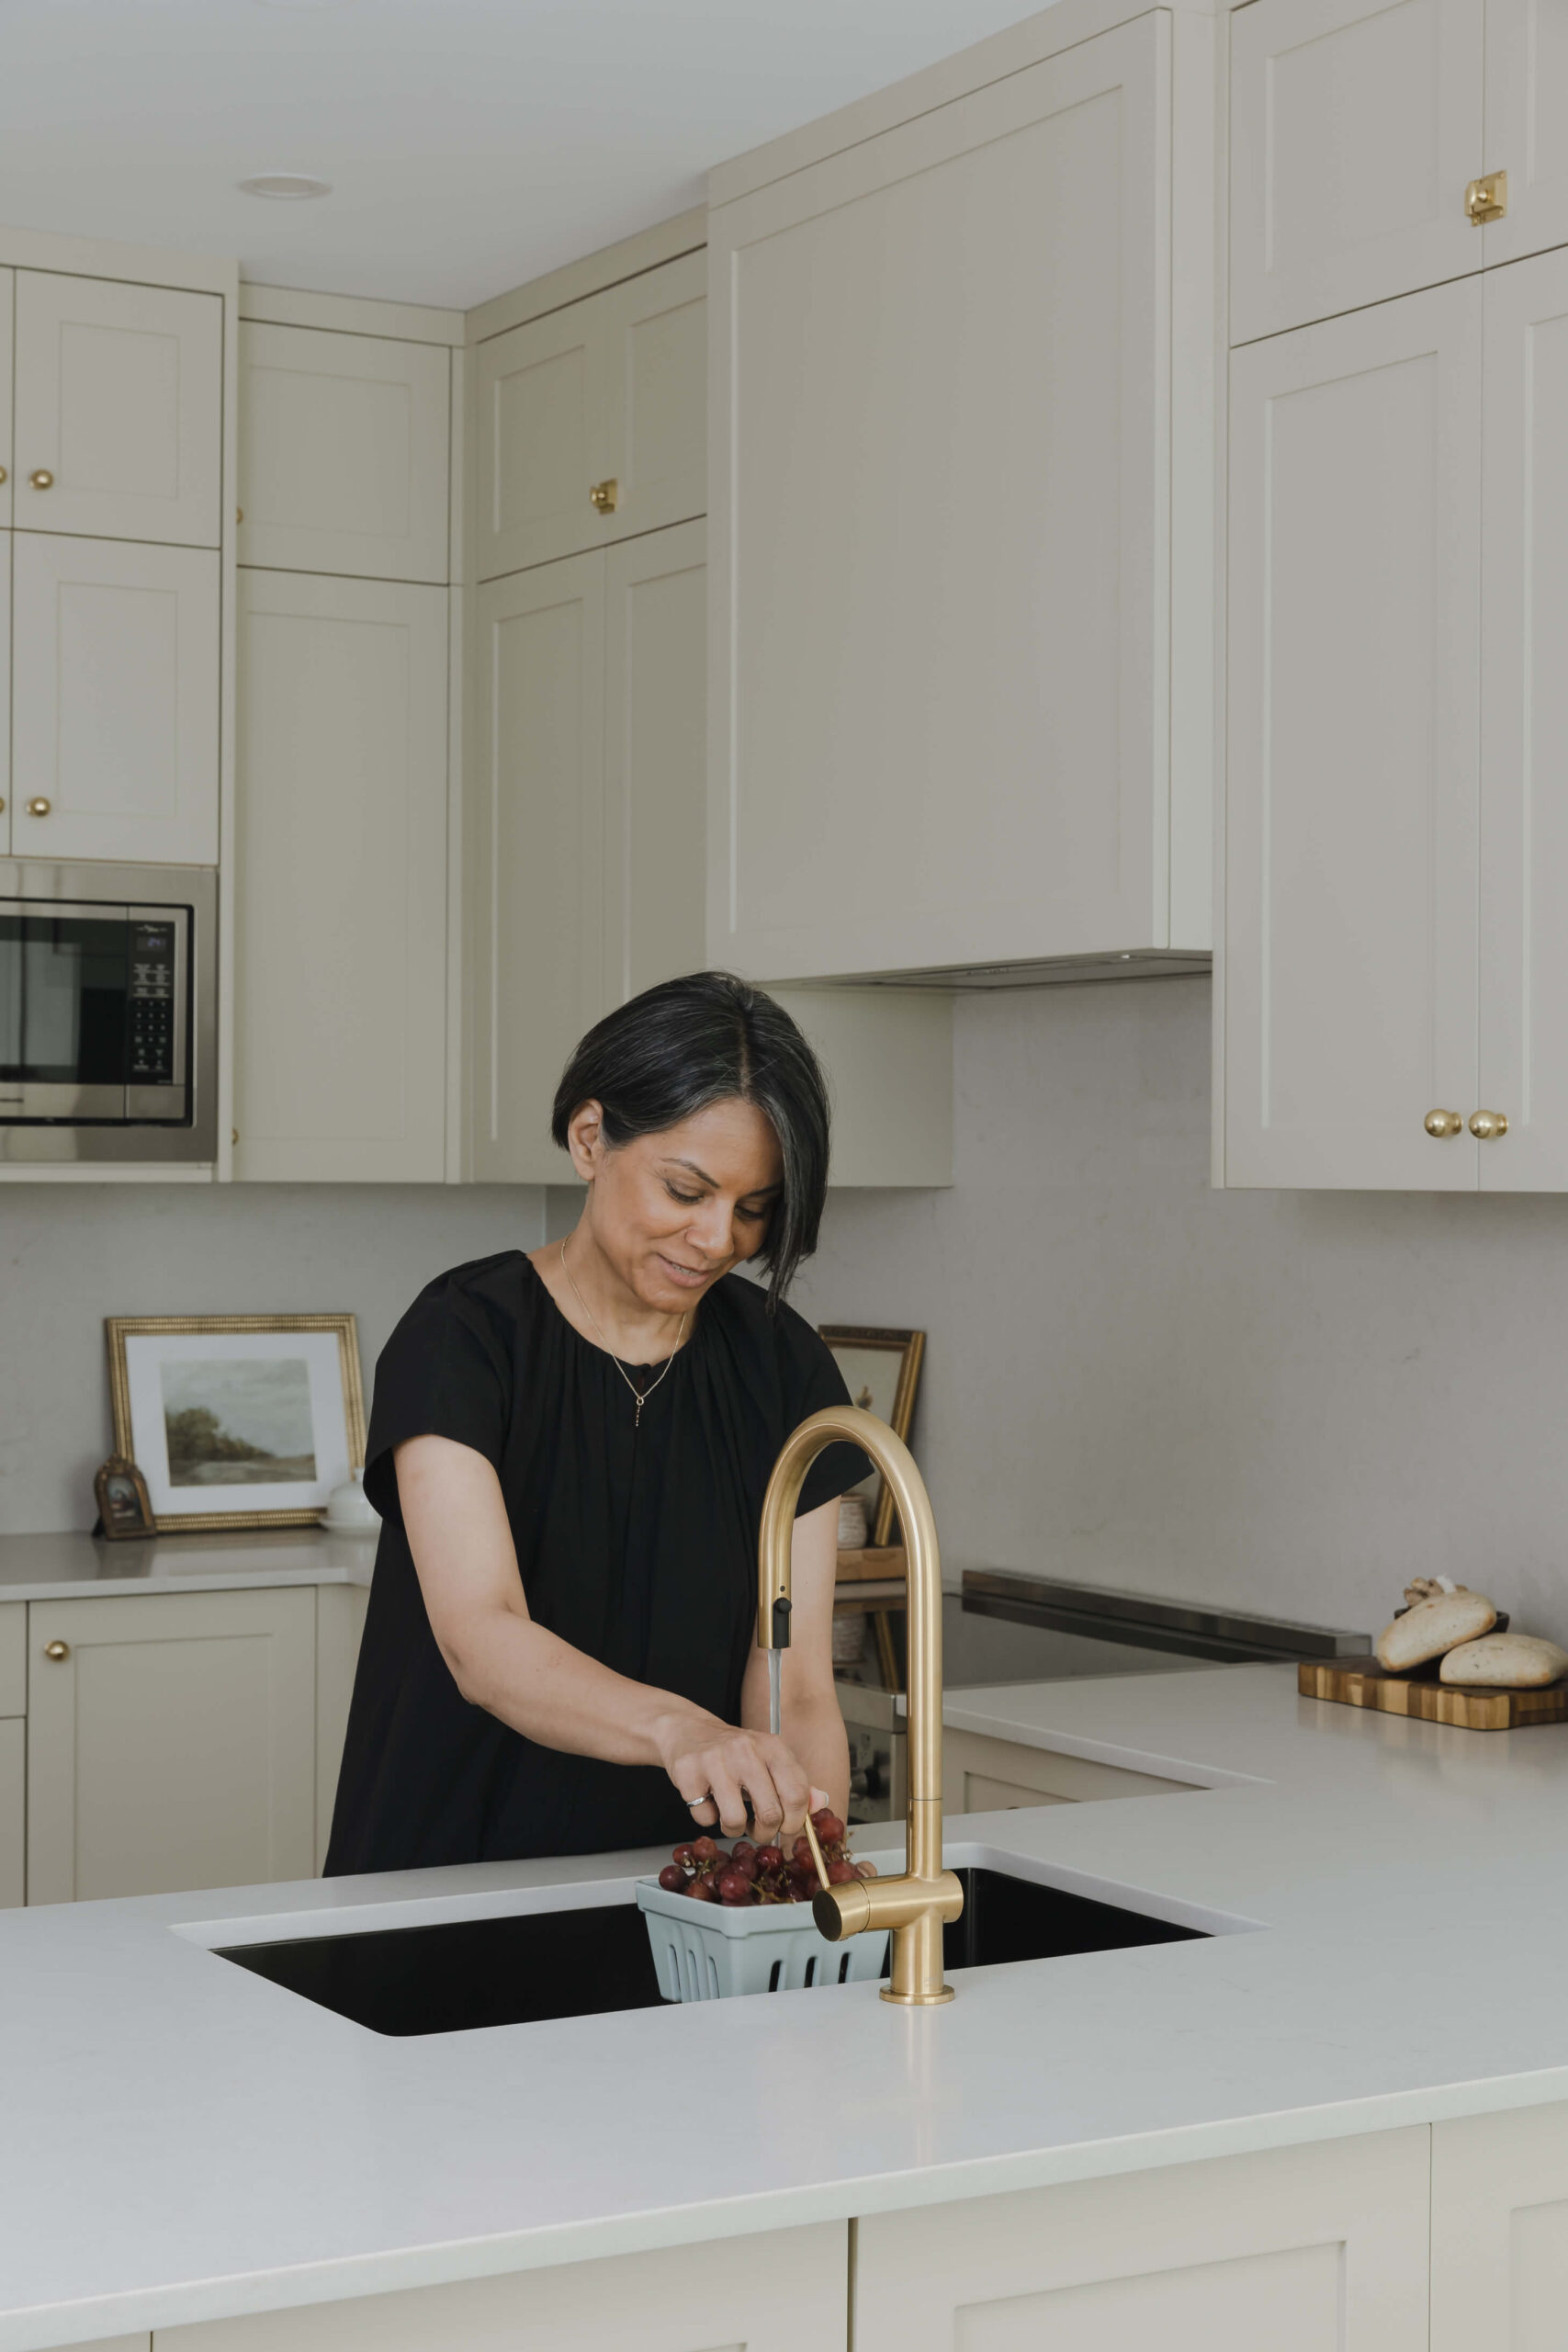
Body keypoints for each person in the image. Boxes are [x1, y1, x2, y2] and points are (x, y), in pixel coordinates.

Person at [324, 972, 871, 1875]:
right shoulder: (463, 1336)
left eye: (753, 1208)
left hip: (686, 1890)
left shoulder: (783, 1364)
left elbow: (795, 1677)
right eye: (686, 1190)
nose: (717, 1239)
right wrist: (681, 1730)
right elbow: (481, 1638)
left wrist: (803, 1877)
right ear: (590, 1139)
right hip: (452, 1880)